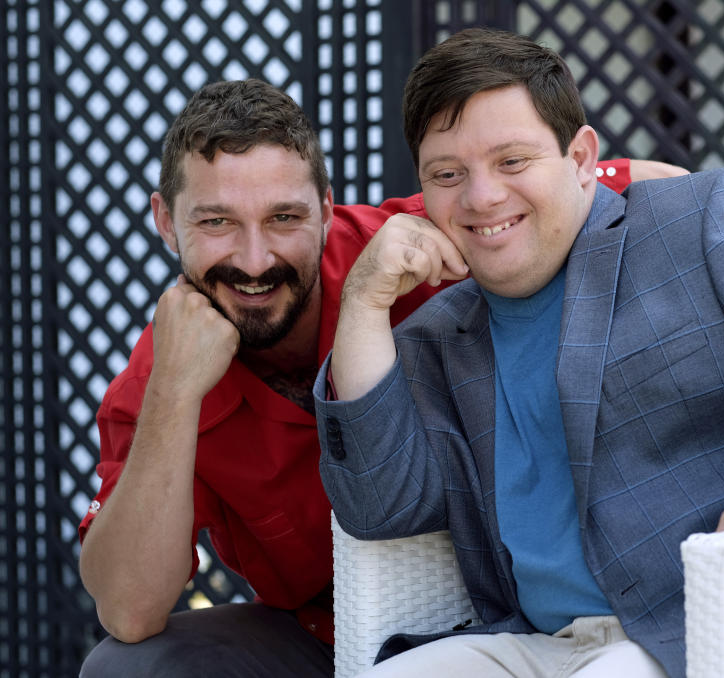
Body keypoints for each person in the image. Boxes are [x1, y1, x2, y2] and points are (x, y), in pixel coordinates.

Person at [315, 28, 724, 678]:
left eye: (512, 161)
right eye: (447, 175)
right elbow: (380, 509)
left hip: (694, 629)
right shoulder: (439, 335)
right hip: (528, 642)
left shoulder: (692, 224)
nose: (481, 196)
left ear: (581, 158)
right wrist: (361, 303)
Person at [76, 77, 678, 676]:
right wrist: (175, 393)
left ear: (327, 210)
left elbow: (647, 185)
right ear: (165, 221)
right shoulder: (154, 384)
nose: (254, 260)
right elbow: (128, 610)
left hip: (517, 606)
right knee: (127, 667)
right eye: (217, 223)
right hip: (321, 633)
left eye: (284, 217)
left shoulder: (412, 245)